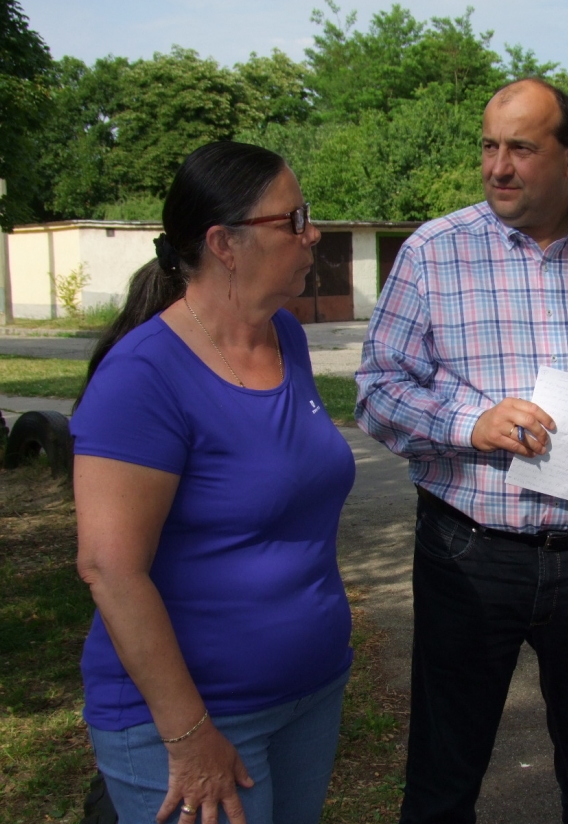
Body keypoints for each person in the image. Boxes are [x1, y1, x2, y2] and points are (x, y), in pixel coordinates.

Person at [355, 77, 568, 824]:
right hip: (467, 552)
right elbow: (376, 392)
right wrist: (467, 423)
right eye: (489, 146)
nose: (498, 167)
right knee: (443, 781)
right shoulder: (434, 253)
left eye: (521, 148)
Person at [72, 142, 355, 824]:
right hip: (195, 719)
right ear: (224, 244)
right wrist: (189, 734)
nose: (312, 233)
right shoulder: (143, 376)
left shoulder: (285, 337)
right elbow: (109, 569)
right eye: (293, 219)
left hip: (309, 694)